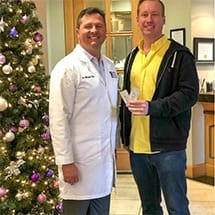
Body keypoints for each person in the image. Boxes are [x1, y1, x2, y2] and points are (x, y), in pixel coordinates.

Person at [119, 0, 199, 214]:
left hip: (168, 149)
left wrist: (151, 108)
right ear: (137, 19)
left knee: (177, 207)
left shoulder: (179, 55)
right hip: (137, 148)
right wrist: (125, 136)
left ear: (163, 19)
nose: (149, 20)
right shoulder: (131, 57)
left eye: (155, 14)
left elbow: (189, 95)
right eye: (144, 15)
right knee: (150, 207)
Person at [49, 7, 118, 215]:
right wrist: (66, 162)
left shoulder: (109, 66)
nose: (93, 30)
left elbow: (110, 110)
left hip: (103, 164)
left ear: (105, 30)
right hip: (78, 165)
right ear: (78, 30)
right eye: (88, 26)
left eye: (99, 26)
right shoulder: (67, 68)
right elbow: (58, 119)